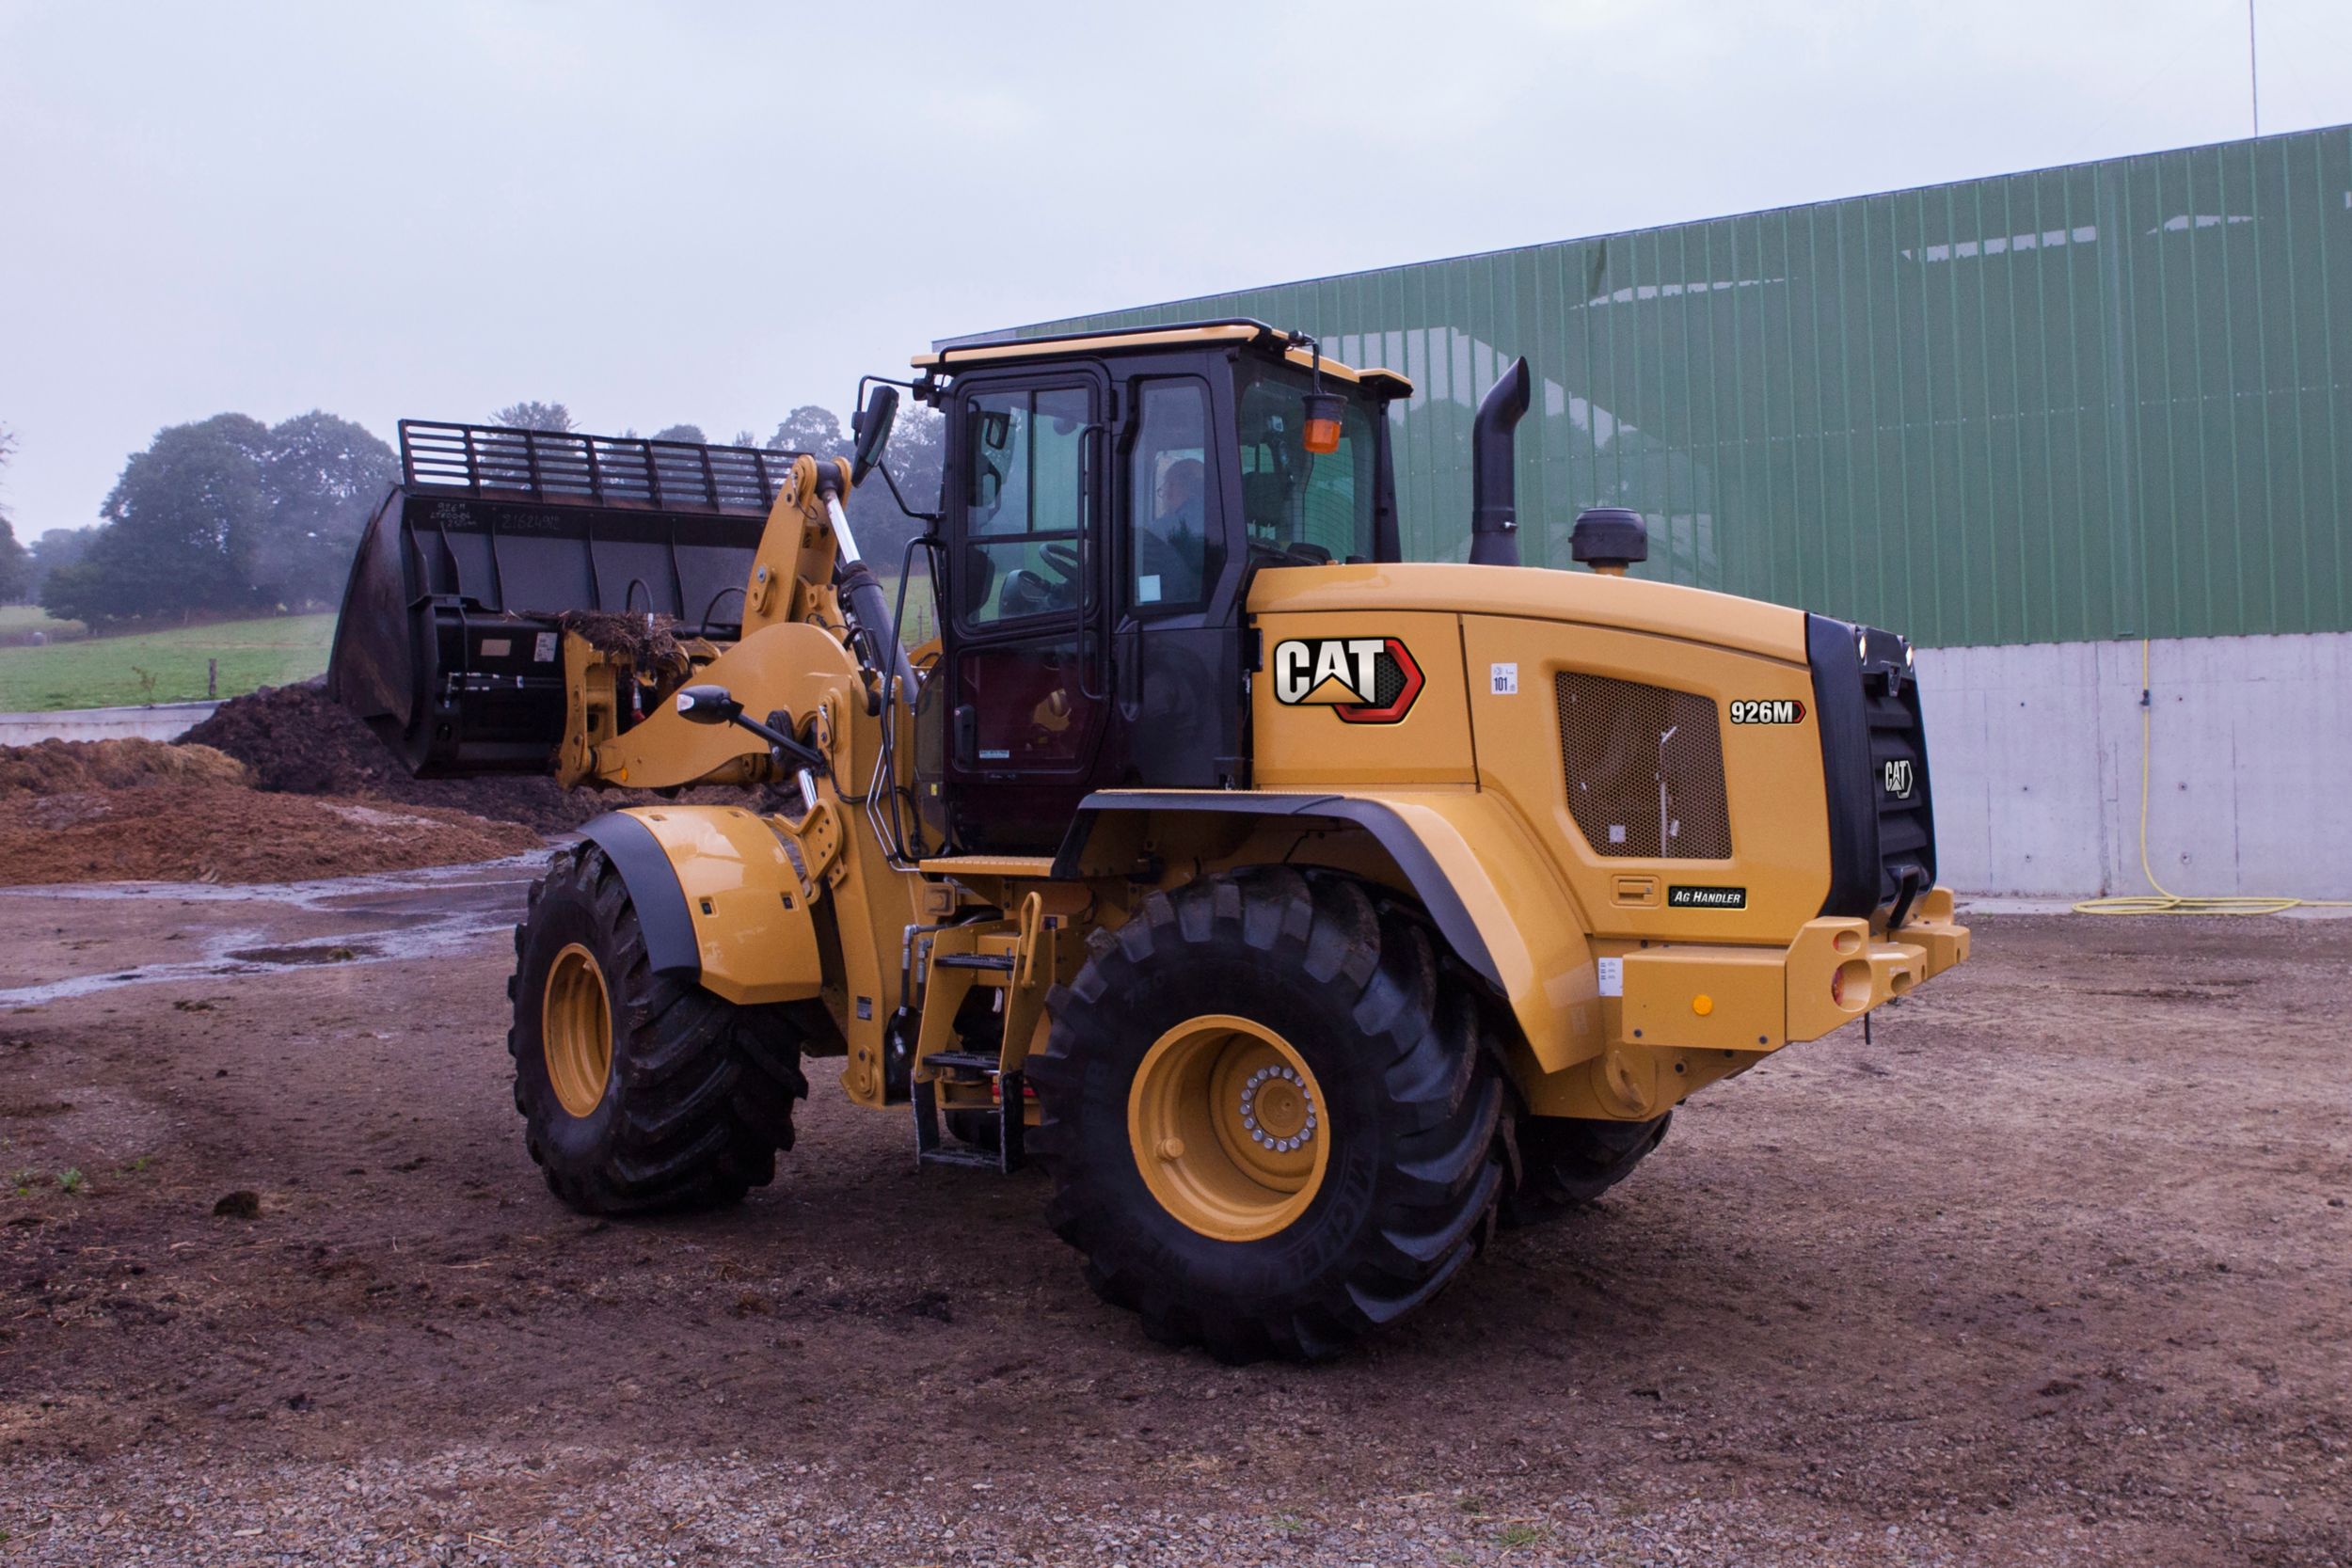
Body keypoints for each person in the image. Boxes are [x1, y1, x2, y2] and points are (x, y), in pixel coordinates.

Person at [1136, 455, 1206, 605]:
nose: (1164, 496)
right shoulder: (1221, 522)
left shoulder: (1157, 532)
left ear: (1171, 490)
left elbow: (1148, 597)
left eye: (1163, 489)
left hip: (1174, 614)